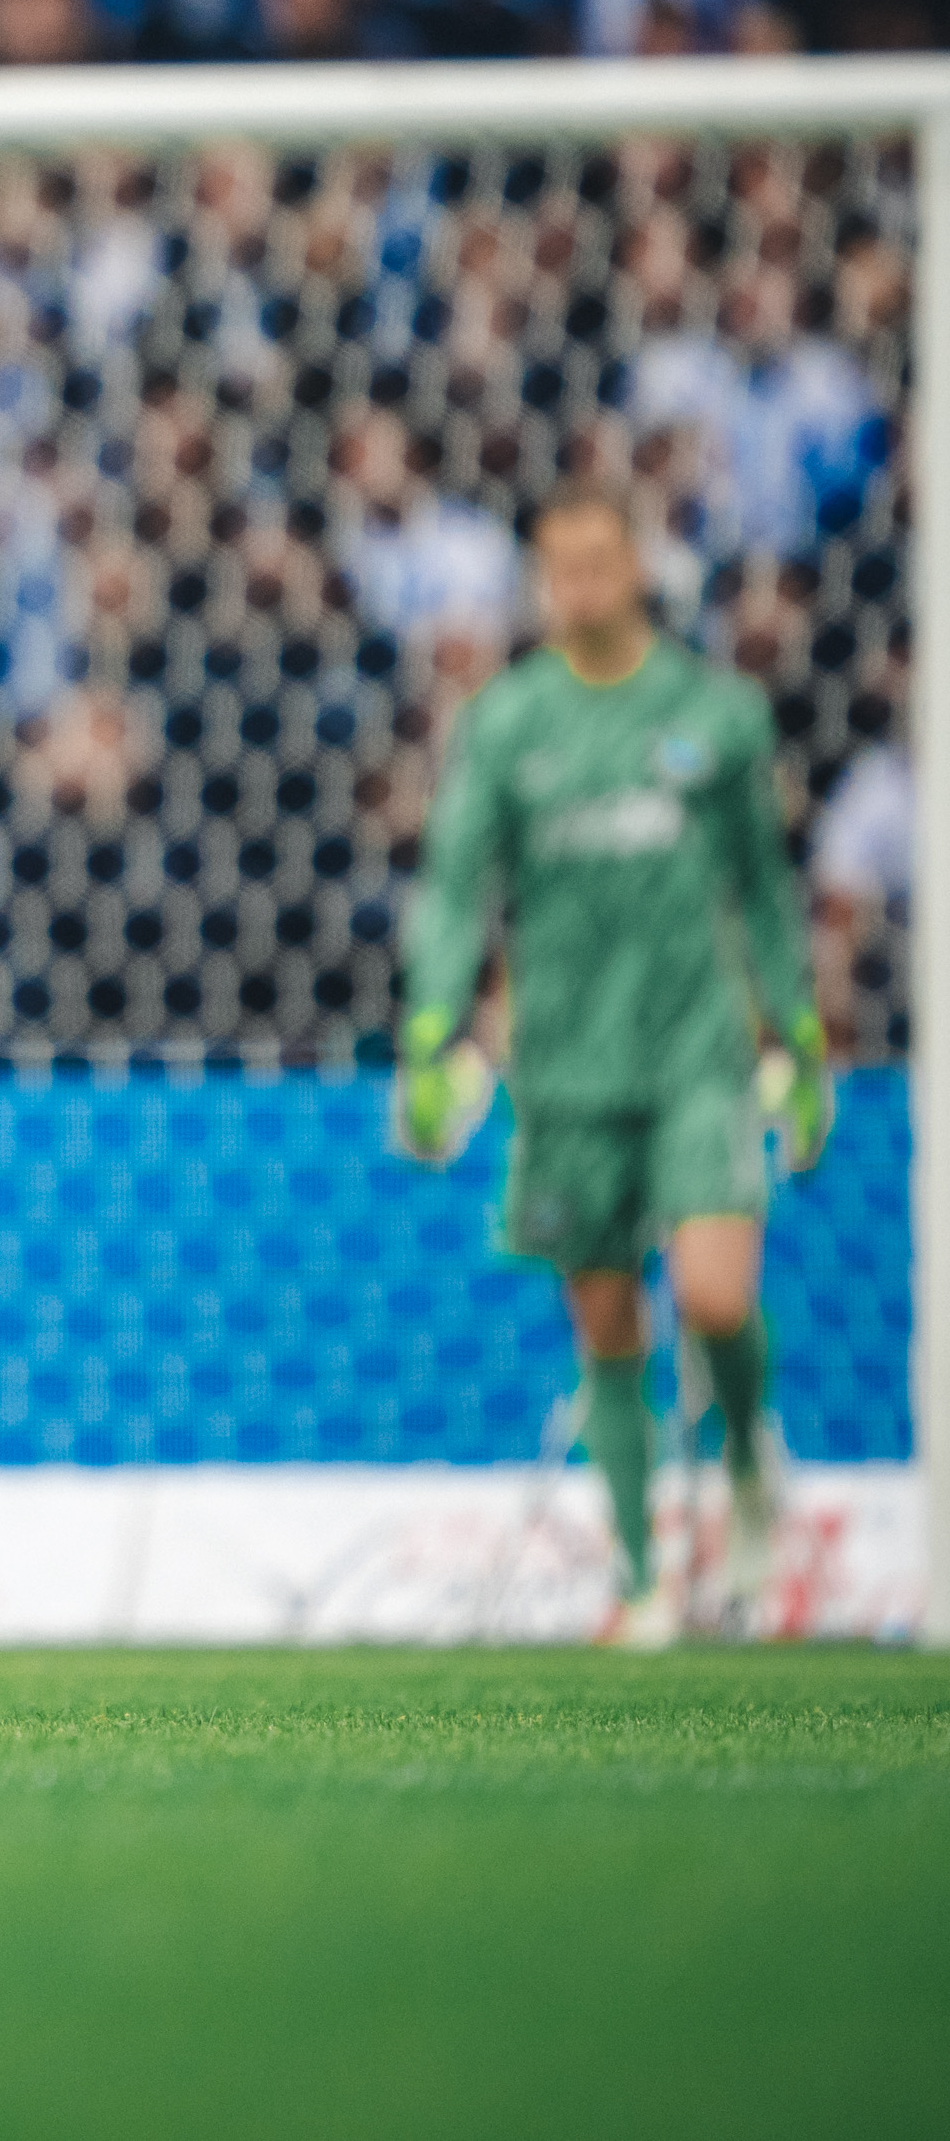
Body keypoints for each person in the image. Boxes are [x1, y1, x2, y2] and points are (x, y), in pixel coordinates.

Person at [395, 483, 833, 1646]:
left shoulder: (713, 714)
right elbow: (454, 889)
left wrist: (794, 1028)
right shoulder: (507, 722)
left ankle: (745, 1456)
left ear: (635, 569)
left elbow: (763, 889)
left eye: (598, 564)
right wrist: (432, 1027)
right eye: (559, 569)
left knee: (710, 1292)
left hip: (695, 1052)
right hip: (566, 1069)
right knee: (605, 1324)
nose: (578, 588)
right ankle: (640, 1580)